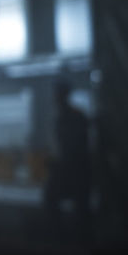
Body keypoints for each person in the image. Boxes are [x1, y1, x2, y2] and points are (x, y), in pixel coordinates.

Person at [42, 78, 91, 241]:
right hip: (72, 170)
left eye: (56, 94)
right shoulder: (65, 118)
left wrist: (57, 164)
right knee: (52, 197)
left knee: (54, 197)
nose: (54, 98)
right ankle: (64, 234)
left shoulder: (73, 118)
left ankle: (69, 236)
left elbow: (74, 149)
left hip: (77, 171)